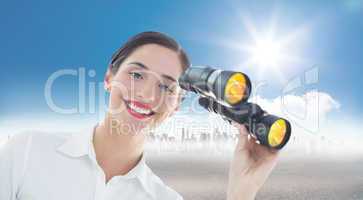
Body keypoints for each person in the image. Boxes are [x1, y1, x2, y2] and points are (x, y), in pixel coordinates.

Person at [0, 31, 279, 200]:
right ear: (109, 77)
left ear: (176, 106)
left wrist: (241, 193)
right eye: (136, 74)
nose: (147, 94)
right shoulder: (27, 152)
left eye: (166, 86)